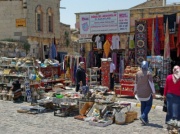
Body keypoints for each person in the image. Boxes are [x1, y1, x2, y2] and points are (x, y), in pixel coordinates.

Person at [134, 61, 156, 125]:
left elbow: (135, 83)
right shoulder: (148, 73)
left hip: (140, 93)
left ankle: (145, 120)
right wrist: (154, 92)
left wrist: (135, 90)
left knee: (143, 106)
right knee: (149, 105)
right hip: (147, 93)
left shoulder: (137, 73)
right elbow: (151, 84)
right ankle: (143, 116)